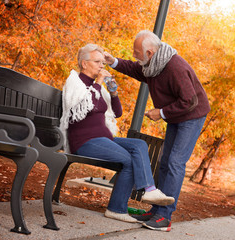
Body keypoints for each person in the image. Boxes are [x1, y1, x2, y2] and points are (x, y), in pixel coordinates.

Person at [104, 30, 211, 231]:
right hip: (177, 114)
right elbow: (136, 69)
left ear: (150, 53)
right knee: (163, 161)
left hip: (192, 114)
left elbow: (190, 101)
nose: (135, 56)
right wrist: (113, 61)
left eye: (137, 53)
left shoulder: (175, 68)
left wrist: (161, 113)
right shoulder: (152, 64)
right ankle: (156, 209)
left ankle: (165, 217)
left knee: (175, 162)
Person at [59, 43, 175, 224]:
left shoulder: (98, 87)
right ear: (84, 64)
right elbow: (87, 108)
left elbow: (117, 113)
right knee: (127, 159)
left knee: (139, 144)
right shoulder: (75, 82)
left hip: (103, 139)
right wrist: (98, 83)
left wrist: (113, 93)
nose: (101, 65)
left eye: (102, 62)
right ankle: (116, 209)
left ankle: (149, 189)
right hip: (84, 141)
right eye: (97, 61)